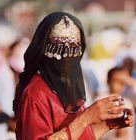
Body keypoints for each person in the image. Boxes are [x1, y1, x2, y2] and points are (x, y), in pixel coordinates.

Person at [13, 12, 134, 140]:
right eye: (59, 48)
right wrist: (85, 119)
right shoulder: (36, 94)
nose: (66, 57)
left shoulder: (68, 91)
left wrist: (108, 124)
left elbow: (79, 136)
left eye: (72, 49)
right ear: (46, 49)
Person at [97, 66, 135, 140]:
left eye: (123, 82)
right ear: (108, 80)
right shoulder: (101, 100)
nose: (121, 84)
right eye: (117, 80)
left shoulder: (127, 100)